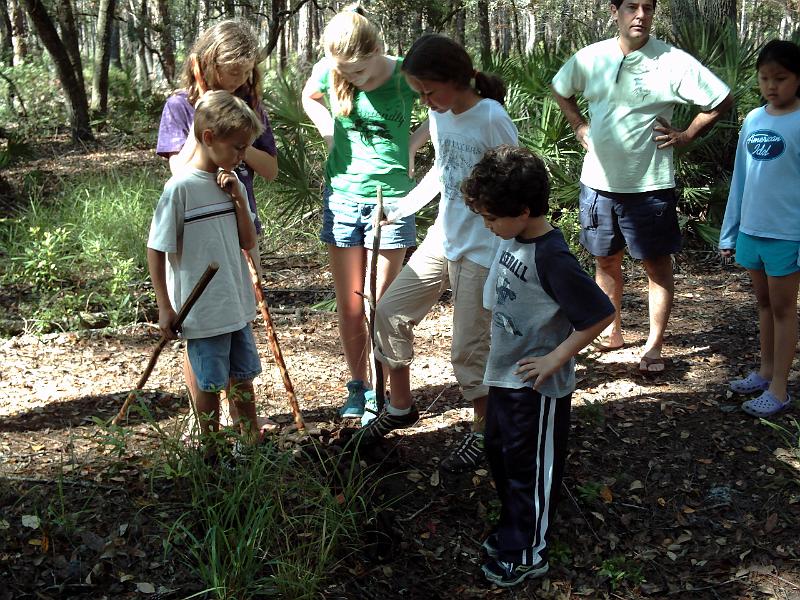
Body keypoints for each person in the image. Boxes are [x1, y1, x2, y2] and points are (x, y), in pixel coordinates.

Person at [354, 33, 519, 474]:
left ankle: (484, 429)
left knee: (467, 351)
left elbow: (516, 178)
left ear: (458, 78)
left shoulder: (490, 117)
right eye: (419, 93)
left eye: (430, 90)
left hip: (483, 249)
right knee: (389, 312)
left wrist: (512, 248)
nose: (426, 100)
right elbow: (443, 171)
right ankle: (402, 406)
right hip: (443, 238)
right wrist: (401, 209)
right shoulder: (441, 115)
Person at [551, 0, 733, 374]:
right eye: (631, 6)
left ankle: (654, 344)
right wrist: (577, 124)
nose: (640, 14)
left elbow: (720, 99)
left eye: (648, 7)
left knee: (656, 265)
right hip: (598, 182)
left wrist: (685, 135)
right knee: (605, 260)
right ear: (614, 11)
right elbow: (560, 89)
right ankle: (612, 330)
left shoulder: (671, 60)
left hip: (650, 184)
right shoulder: (591, 57)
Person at [461, 145, 615, 587]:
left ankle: (529, 551)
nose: (487, 226)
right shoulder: (516, 238)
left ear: (524, 210)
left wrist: (554, 358)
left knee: (531, 466)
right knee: (502, 454)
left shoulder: (552, 256)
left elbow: (599, 314)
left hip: (537, 387)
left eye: (492, 217)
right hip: (505, 375)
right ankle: (514, 530)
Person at [302, 4, 428, 424]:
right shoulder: (330, 68)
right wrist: (323, 122)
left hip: (391, 201)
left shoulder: (405, 73)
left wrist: (412, 143)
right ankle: (359, 385)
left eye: (358, 71)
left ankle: (384, 386)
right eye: (345, 72)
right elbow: (310, 95)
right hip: (342, 196)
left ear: (377, 50)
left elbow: (449, 102)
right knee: (351, 305)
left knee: (381, 303)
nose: (351, 79)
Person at [156, 20, 277, 428]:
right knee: (203, 333)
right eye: (233, 71)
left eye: (247, 71)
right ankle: (204, 421)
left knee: (237, 322)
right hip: (197, 235)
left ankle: (245, 431)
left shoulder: (249, 107)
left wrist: (241, 149)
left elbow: (271, 168)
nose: (242, 79)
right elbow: (179, 170)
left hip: (238, 223)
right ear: (208, 63)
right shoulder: (180, 105)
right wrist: (206, 111)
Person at [148, 91, 263, 454]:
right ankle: (211, 454)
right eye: (237, 148)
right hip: (202, 311)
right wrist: (165, 307)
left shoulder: (231, 185)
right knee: (210, 385)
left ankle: (249, 449)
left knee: (243, 381)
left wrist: (238, 200)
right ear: (209, 138)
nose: (242, 157)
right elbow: (156, 248)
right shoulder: (180, 188)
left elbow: (248, 240)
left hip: (236, 304)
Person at [719, 40, 800, 417]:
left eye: (780, 78)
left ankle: (781, 389)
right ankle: (765, 373)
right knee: (764, 304)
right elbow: (741, 178)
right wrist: (730, 232)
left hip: (788, 234)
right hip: (753, 230)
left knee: (785, 310)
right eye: (765, 78)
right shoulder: (753, 119)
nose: (772, 86)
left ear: (798, 79)